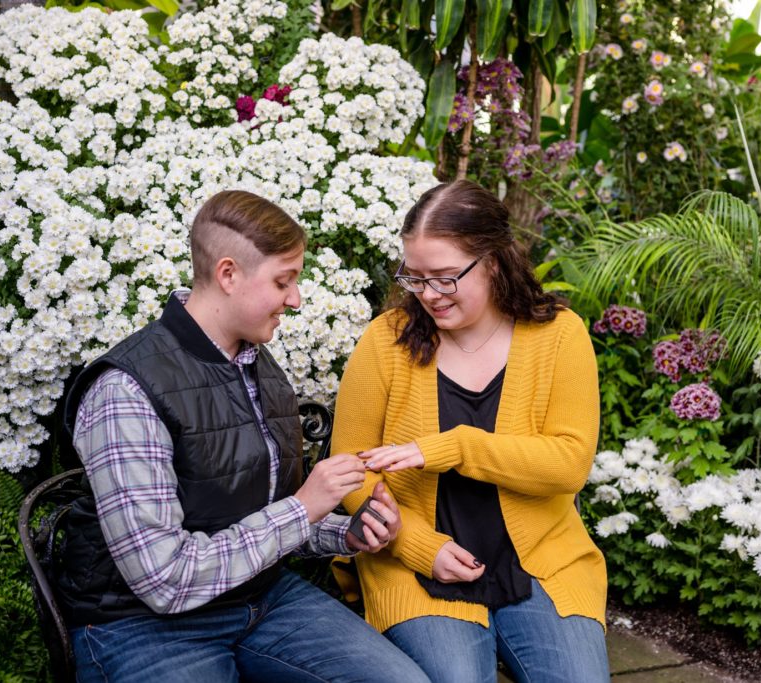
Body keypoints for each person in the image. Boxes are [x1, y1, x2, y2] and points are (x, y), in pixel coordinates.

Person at [55, 190, 430, 683]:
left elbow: (250, 521)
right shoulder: (127, 390)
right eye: (283, 281)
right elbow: (164, 581)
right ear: (228, 275)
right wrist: (305, 506)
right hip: (142, 624)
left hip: (261, 598)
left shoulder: (258, 365)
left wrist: (348, 531)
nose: (295, 299)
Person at [330, 179, 609, 683]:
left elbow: (569, 463)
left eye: (444, 277)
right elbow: (349, 466)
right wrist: (416, 545)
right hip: (418, 568)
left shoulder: (559, 335)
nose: (428, 295)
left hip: (541, 562)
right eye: (414, 277)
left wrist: (454, 446)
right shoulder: (386, 341)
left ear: (494, 261)